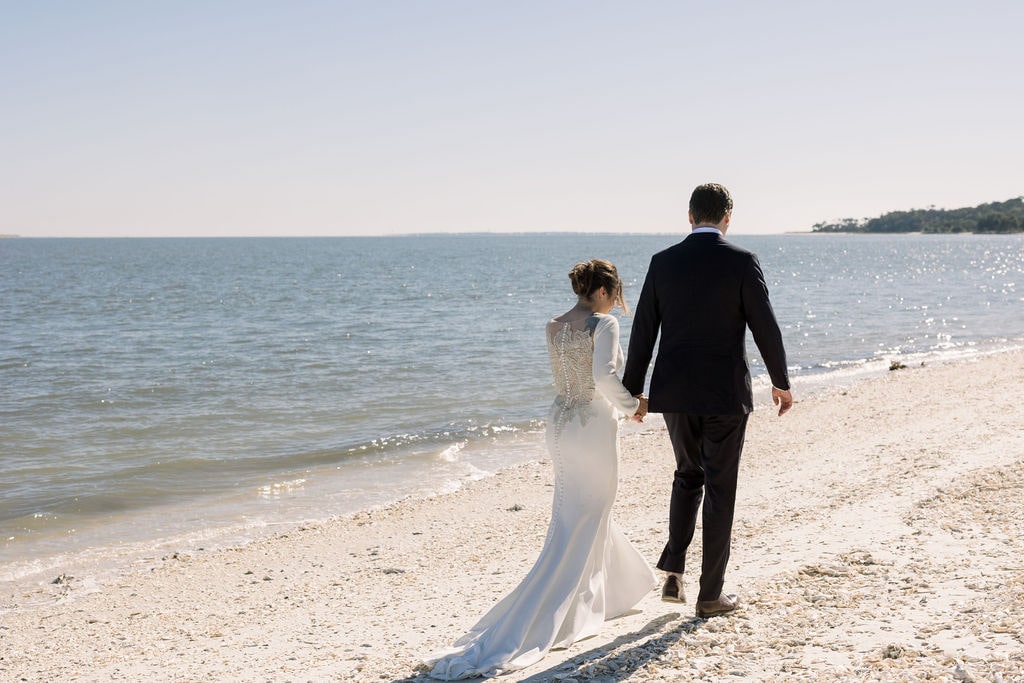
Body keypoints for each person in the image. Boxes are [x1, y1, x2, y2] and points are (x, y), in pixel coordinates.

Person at [426, 259, 656, 679]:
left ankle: (612, 592)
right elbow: (603, 378)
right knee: (593, 509)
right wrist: (634, 406)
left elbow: (570, 376)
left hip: (560, 423)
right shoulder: (603, 325)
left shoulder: (554, 325)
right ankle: (566, 608)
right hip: (592, 424)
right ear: (605, 290)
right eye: (615, 292)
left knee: (576, 514)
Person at [622, 183, 793, 619]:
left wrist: (632, 392)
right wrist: (780, 381)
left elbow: (644, 332)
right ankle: (710, 595)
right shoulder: (742, 261)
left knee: (686, 474)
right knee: (720, 488)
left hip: (675, 394)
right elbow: (765, 327)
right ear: (728, 217)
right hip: (724, 394)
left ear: (690, 216)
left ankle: (675, 566)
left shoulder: (663, 263)